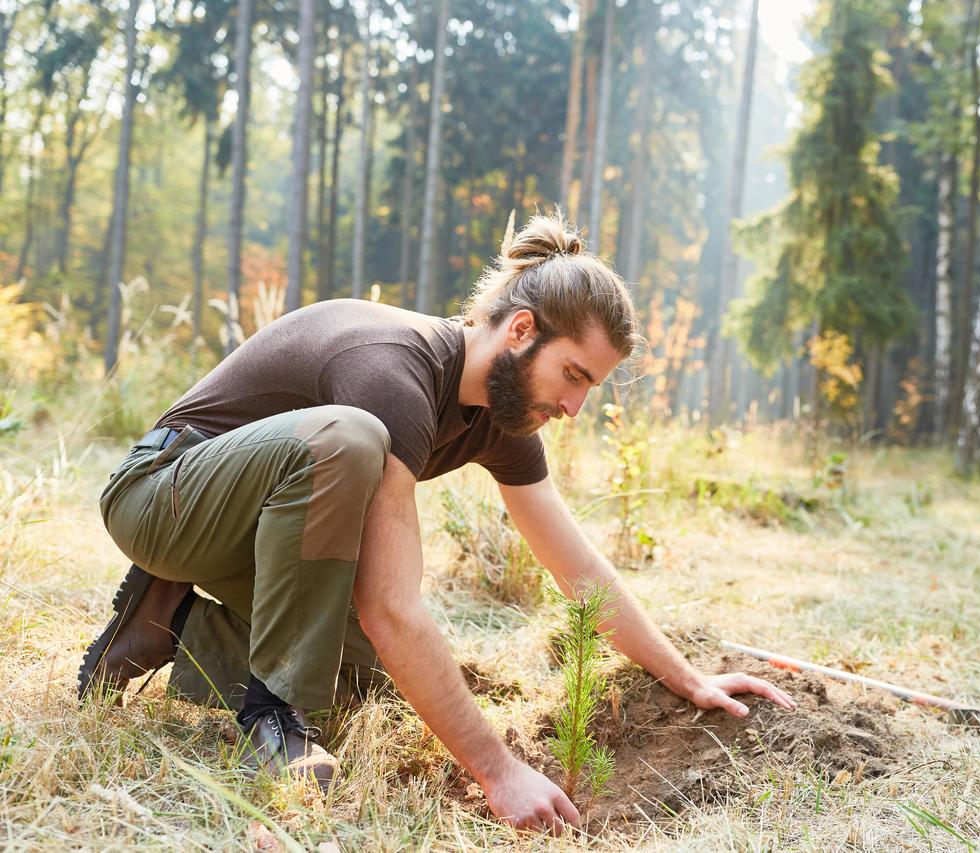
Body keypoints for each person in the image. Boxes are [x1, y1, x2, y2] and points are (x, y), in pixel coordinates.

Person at [78, 212, 796, 834]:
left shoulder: (502, 418)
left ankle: (168, 624)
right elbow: (393, 605)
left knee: (367, 681)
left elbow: (575, 565)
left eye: (590, 388)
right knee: (349, 439)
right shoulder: (393, 372)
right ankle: (274, 718)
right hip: (162, 497)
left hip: (253, 530)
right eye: (574, 375)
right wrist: (498, 771)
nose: (575, 408)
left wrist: (689, 676)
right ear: (521, 330)